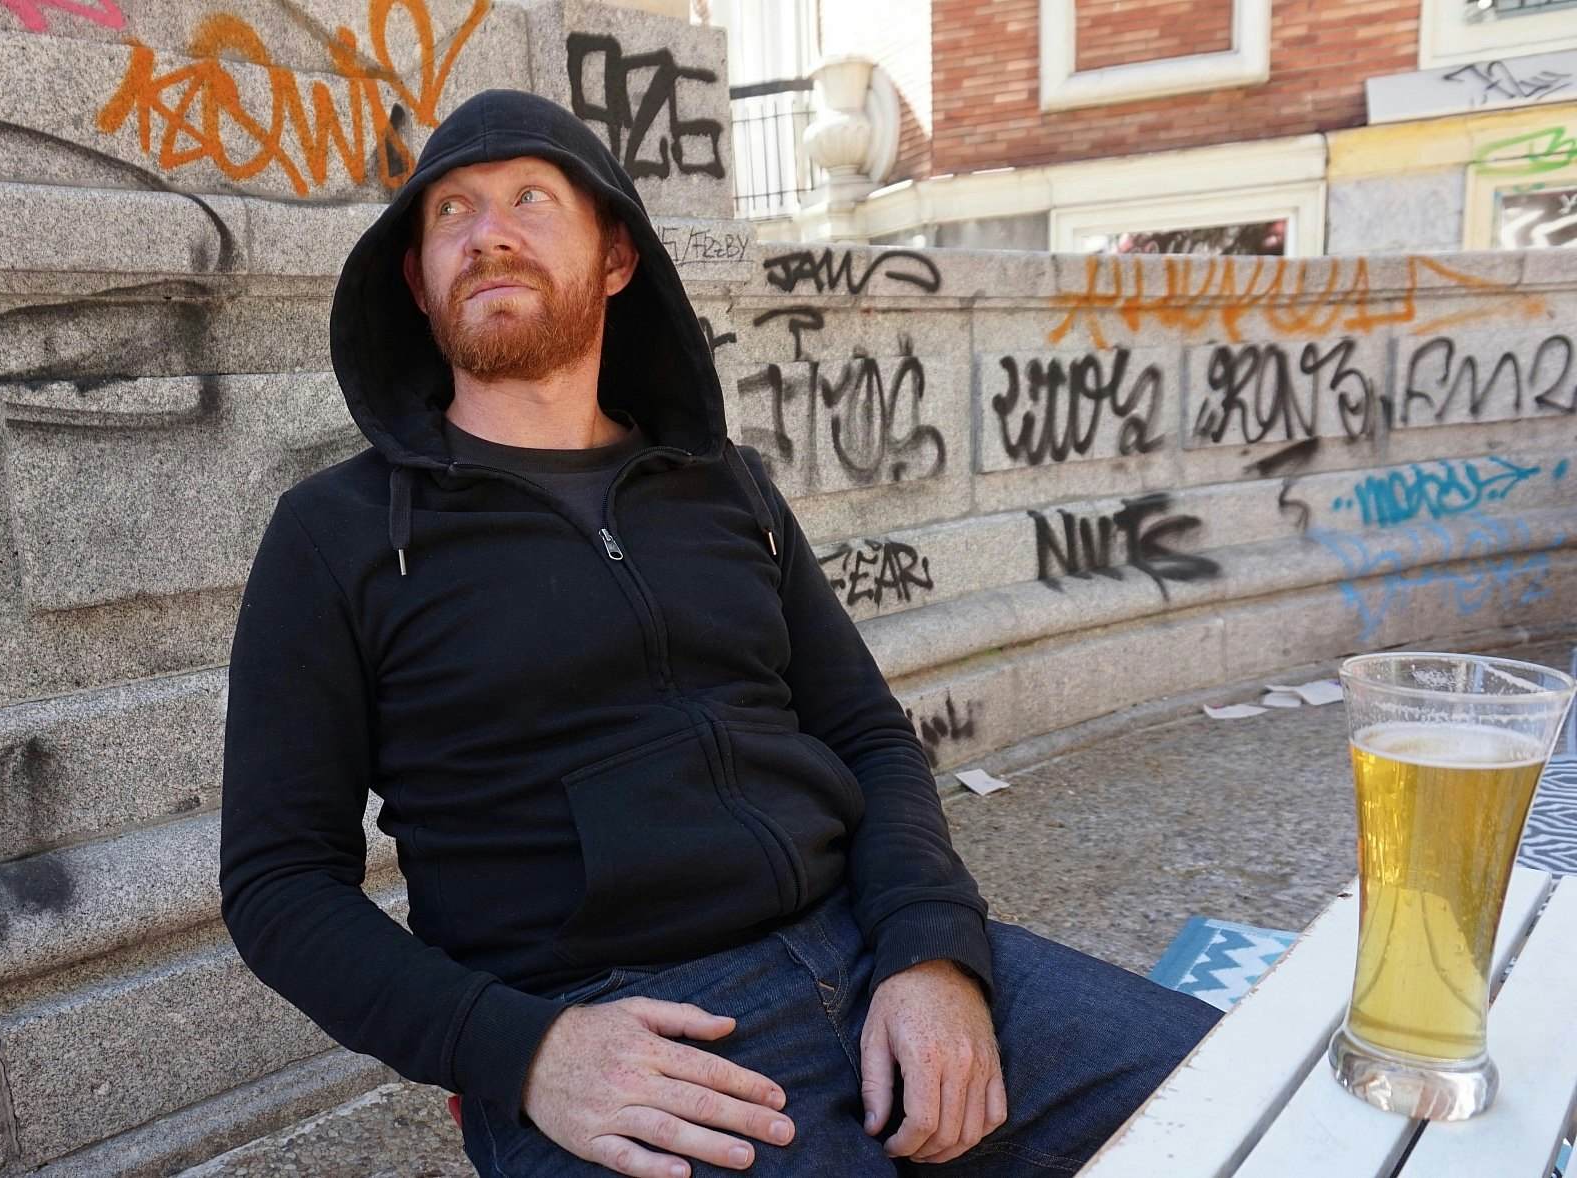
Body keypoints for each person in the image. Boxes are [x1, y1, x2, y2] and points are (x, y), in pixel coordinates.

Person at [219, 88, 1220, 1178]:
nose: (487, 230)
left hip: (868, 942)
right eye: (449, 210)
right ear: (415, 279)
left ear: (615, 257)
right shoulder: (336, 532)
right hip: (616, 1032)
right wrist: (524, 1050)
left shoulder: (726, 485)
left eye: (529, 198)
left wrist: (934, 950)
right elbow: (279, 881)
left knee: (1257, 1104)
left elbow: (868, 736)